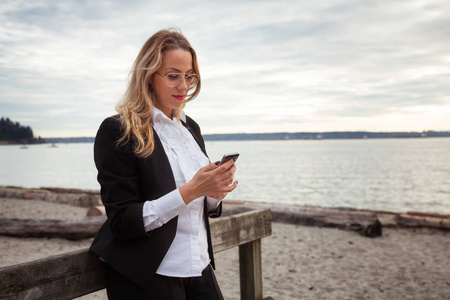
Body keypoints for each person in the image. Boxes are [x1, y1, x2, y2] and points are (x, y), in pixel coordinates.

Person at [90, 28, 237, 300]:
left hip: (200, 265)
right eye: (173, 76)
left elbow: (198, 205)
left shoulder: (190, 128)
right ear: (148, 76)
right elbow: (122, 221)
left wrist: (213, 194)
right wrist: (192, 190)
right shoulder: (118, 130)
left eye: (189, 76)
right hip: (151, 275)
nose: (183, 86)